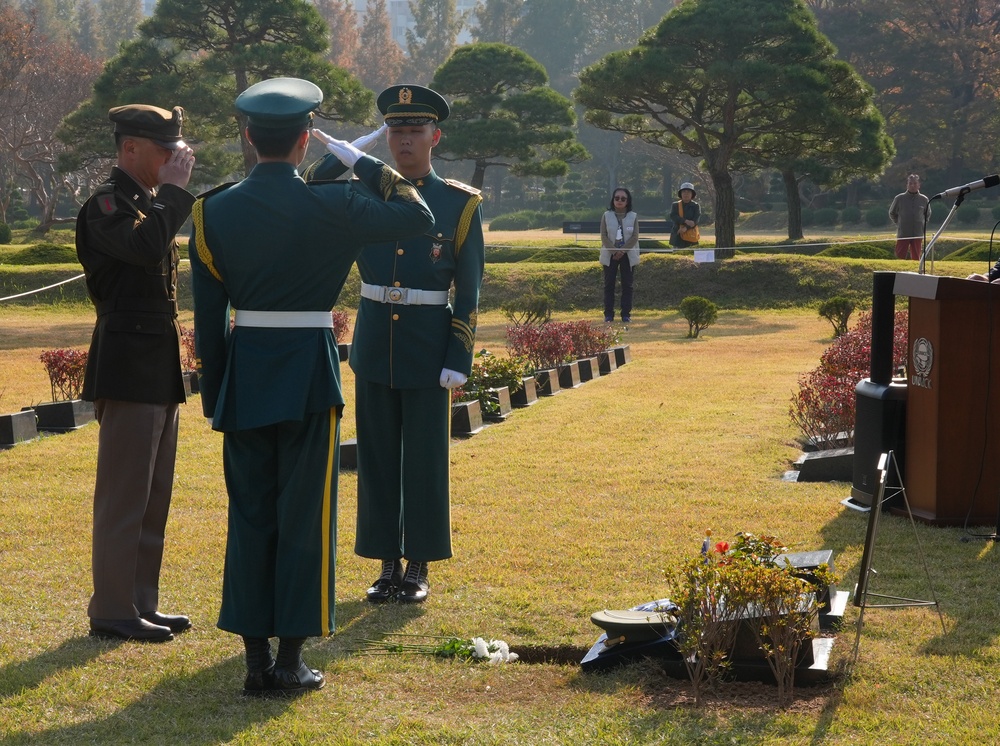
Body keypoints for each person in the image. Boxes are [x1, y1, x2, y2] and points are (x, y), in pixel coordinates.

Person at [189, 78, 433, 696]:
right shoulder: (336, 204)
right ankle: (290, 658)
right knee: (304, 515)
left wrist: (217, 394)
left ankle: (252, 661)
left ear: (249, 136)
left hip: (245, 374)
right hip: (307, 373)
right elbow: (417, 213)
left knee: (249, 516)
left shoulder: (210, 210)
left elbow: (208, 321)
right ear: (305, 140)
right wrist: (361, 158)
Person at [305, 84, 485, 606]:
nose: (404, 140)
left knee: (425, 459)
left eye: (414, 130)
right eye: (395, 131)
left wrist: (459, 354)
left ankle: (420, 564)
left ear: (435, 135)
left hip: (430, 346)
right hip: (376, 340)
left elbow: (469, 289)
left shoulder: (458, 203)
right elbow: (305, 187)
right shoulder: (361, 192)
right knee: (378, 457)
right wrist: (344, 156)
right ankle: (386, 564)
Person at [76, 104, 196, 644]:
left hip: (156, 368)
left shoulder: (146, 203)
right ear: (130, 150)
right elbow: (145, 248)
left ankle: (140, 601)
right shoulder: (106, 206)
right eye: (162, 149)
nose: (174, 158)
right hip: (127, 367)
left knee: (153, 494)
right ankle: (112, 607)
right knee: (124, 496)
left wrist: (166, 195)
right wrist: (174, 193)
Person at [600, 187, 639, 324]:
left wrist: (622, 251)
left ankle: (626, 314)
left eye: (623, 199)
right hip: (609, 255)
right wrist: (613, 251)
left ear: (627, 201)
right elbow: (603, 236)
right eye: (617, 198)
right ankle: (608, 314)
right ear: (613, 200)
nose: (620, 201)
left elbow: (634, 237)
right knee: (609, 284)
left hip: (628, 255)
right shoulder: (606, 215)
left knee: (627, 285)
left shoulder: (633, 216)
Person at [889, 174, 930, 260]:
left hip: (917, 233)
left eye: (915, 183)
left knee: (916, 257)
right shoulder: (899, 198)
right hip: (903, 233)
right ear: (907, 185)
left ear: (919, 185)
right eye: (910, 183)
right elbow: (892, 213)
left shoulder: (924, 199)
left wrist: (922, 223)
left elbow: (927, 214)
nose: (912, 185)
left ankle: (916, 272)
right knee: (899, 256)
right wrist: (899, 222)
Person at [670, 182, 700, 248]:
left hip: (691, 234)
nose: (686, 194)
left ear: (692, 194)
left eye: (688, 192)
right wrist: (685, 221)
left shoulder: (695, 206)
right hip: (678, 233)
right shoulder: (675, 205)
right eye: (684, 192)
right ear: (680, 194)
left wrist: (686, 228)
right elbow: (673, 216)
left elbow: (695, 220)